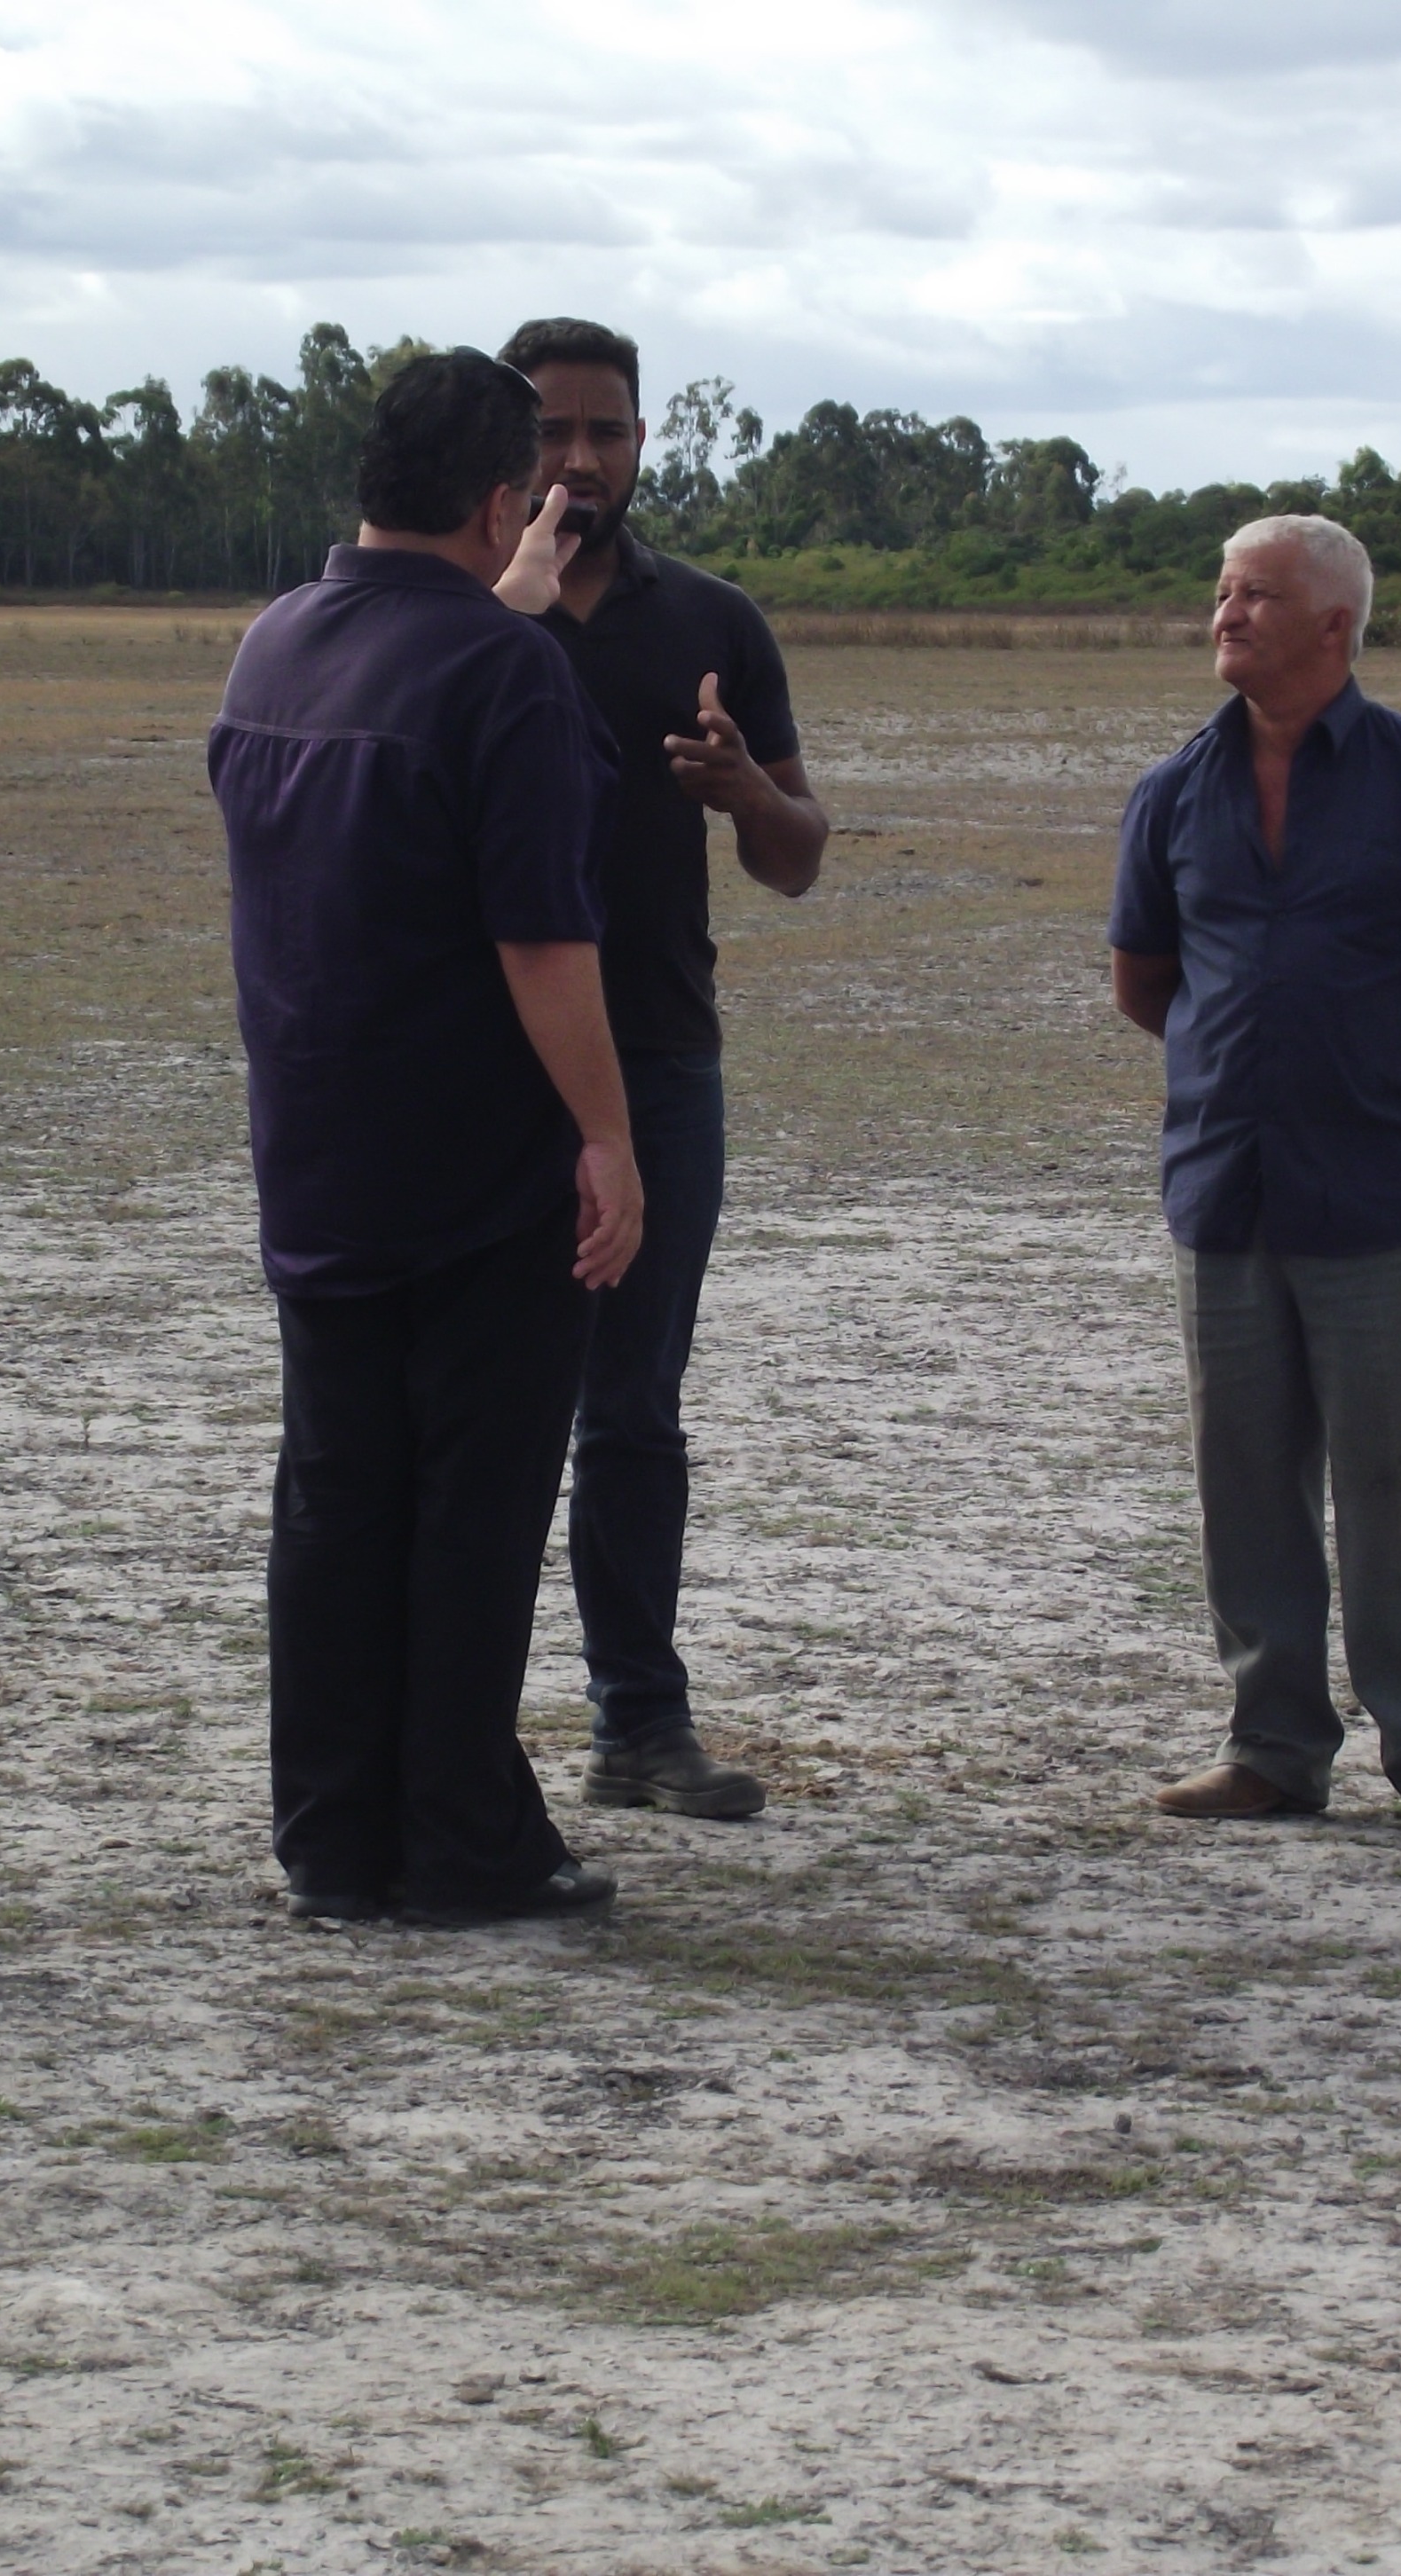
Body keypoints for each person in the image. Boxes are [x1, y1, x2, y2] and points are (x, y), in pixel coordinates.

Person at [208, 349, 641, 1924]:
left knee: (336, 1496)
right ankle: (465, 1837)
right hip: (474, 1163)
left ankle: (334, 1836)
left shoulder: (275, 642)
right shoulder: (505, 674)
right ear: (502, 503)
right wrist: (610, 1136)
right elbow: (543, 939)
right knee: (474, 1502)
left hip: (318, 1143)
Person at [1109, 515, 1401, 1856]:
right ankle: (1271, 1749)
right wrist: (1246, 1073)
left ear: (1334, 626)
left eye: (1257, 596)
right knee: (1245, 1478)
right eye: (1222, 592)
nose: (1226, 614)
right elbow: (1145, 984)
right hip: (1226, 1190)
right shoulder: (1172, 793)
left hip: (1384, 1194)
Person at [492, 317, 830, 1822]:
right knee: (484, 1406)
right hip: (476, 1066)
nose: (579, 460)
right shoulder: (456, 616)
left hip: (659, 1065)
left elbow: (797, 860)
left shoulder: (709, 622)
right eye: (550, 431)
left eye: (606, 431)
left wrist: (745, 789)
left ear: (642, 442)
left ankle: (639, 1726)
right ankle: (459, 1733)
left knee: (632, 1410)